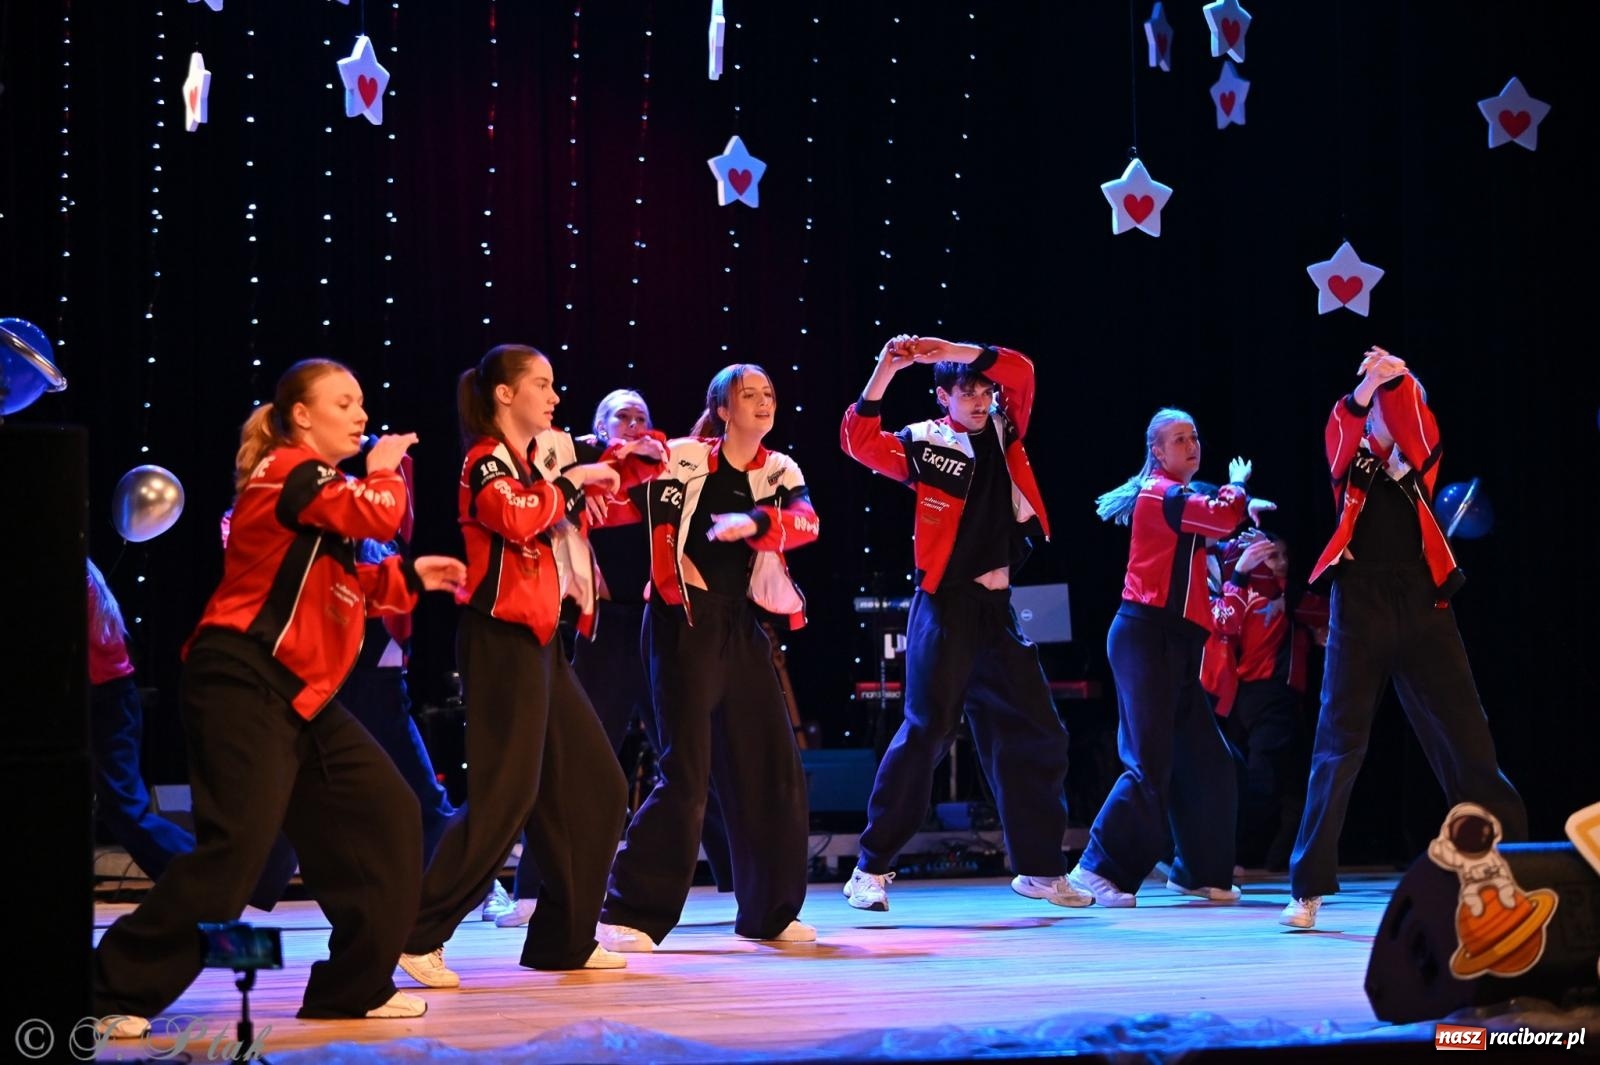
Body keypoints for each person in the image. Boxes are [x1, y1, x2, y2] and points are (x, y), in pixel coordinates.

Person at [93, 358, 468, 1036]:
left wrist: (412, 573)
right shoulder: (292, 473)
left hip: (300, 695)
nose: (360, 414)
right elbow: (377, 506)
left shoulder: (316, 500)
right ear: (301, 415)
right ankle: (107, 984)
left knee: (390, 812)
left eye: (361, 403)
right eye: (344, 402)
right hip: (243, 679)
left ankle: (351, 985)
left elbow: (347, 583)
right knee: (235, 856)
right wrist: (384, 466)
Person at [398, 343, 632, 987]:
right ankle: (417, 932)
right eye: (542, 384)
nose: (555, 396)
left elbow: (559, 512)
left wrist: (598, 480)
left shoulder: (534, 463)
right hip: (499, 639)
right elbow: (511, 516)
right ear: (505, 394)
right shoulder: (486, 461)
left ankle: (564, 937)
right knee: (506, 798)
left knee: (598, 788)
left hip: (543, 640)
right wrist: (571, 486)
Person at [839, 334, 1091, 911]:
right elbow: (857, 440)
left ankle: (1039, 869)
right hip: (945, 606)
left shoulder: (1006, 430)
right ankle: (870, 869)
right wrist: (885, 368)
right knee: (926, 732)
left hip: (998, 612)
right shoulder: (927, 444)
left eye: (984, 390)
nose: (979, 400)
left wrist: (945, 347)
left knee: (1038, 732)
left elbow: (1022, 369)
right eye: (967, 391)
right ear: (943, 395)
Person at [1280, 348, 1525, 929]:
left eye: (1394, 407)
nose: (1385, 417)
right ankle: (1308, 888)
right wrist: (1366, 388)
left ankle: (1511, 865)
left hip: (1423, 603)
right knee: (1338, 747)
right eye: (1378, 410)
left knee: (1468, 742)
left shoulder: (1421, 457)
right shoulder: (1351, 460)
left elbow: (1418, 425)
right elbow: (1340, 430)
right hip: (1360, 604)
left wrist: (1402, 376)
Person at [598, 363, 819, 950]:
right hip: (682, 618)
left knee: (772, 767)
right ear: (723, 407)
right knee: (687, 772)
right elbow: (624, 487)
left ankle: (770, 912)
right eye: (749, 395)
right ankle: (629, 912)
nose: (762, 403)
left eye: (768, 394)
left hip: (738, 624)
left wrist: (755, 521)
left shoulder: (779, 468)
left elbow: (807, 522)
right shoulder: (684, 455)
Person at [1068, 411, 1272, 907]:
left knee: (1210, 762)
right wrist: (1238, 490)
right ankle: (1094, 869)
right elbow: (1220, 514)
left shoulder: (1179, 496)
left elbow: (1212, 514)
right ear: (1157, 452)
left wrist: (1239, 504)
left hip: (1176, 644)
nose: (1191, 444)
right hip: (1146, 637)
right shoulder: (1161, 494)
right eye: (1179, 439)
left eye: (1195, 436)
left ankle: (1199, 871)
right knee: (1149, 764)